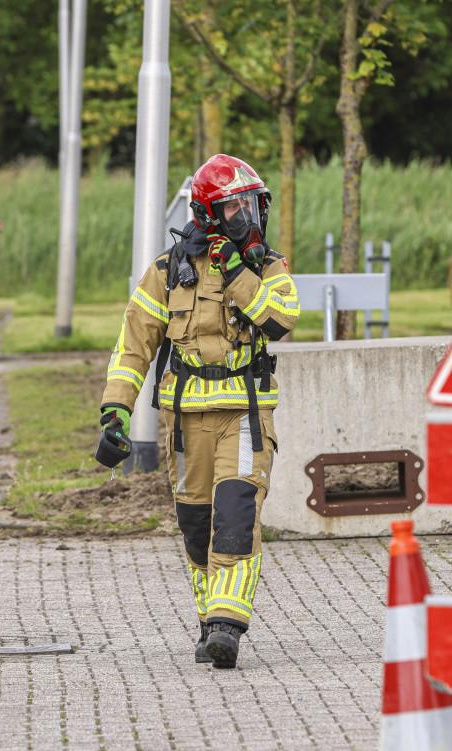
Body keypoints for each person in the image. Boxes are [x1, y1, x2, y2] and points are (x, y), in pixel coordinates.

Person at [96, 154, 300, 669]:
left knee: (236, 513)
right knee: (196, 526)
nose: (248, 219)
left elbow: (279, 320)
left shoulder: (266, 267)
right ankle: (211, 619)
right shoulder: (168, 273)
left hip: (246, 417)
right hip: (184, 423)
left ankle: (229, 625)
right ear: (209, 214)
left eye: (252, 207)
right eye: (235, 209)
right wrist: (114, 412)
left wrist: (236, 273)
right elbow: (133, 346)